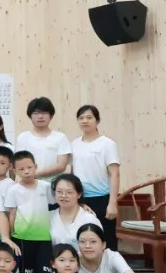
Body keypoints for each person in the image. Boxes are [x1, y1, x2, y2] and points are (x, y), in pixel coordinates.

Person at [3, 151, 54, 273]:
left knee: (46, 271)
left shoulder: (46, 187)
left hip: (44, 236)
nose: (26, 171)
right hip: (23, 237)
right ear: (15, 171)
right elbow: (12, 213)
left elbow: (55, 206)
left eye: (29, 167)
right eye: (21, 169)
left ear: (35, 167)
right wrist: (11, 234)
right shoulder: (13, 190)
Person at [69, 105, 121, 249]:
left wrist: (112, 203)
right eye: (81, 118)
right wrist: (76, 200)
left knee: (106, 239)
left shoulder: (107, 144)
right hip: (80, 199)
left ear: (97, 120)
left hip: (102, 198)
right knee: (82, 239)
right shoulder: (74, 144)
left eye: (89, 117)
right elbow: (71, 173)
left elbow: (115, 173)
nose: (85, 121)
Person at [15, 96, 72, 183]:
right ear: (30, 116)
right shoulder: (23, 138)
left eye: (44, 113)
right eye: (36, 113)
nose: (40, 116)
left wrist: (36, 173)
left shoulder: (60, 138)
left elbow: (61, 165)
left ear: (51, 116)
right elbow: (19, 163)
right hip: (28, 184)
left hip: (53, 185)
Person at [49, 174, 100, 247]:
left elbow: (97, 247)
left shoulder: (89, 219)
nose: (63, 195)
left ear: (79, 194)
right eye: (59, 192)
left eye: (69, 192)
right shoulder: (48, 217)